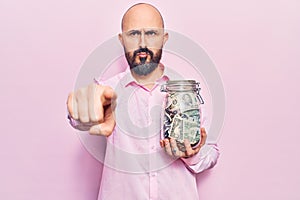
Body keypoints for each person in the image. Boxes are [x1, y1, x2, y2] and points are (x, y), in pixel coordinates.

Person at [67, 3, 219, 199]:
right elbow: (80, 117)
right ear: (122, 39)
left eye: (152, 33)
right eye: (133, 34)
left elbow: (212, 154)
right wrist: (78, 110)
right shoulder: (107, 91)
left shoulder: (186, 92)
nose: (142, 43)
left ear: (164, 38)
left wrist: (193, 153)